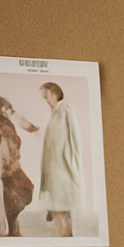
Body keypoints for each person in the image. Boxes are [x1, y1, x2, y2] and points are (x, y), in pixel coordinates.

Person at [0, 96, 36, 237]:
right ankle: (13, 231)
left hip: (13, 165)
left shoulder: (8, 123)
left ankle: (13, 229)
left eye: (9, 108)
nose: (10, 111)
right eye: (6, 108)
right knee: (10, 198)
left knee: (26, 189)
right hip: (4, 169)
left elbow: (22, 126)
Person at [35, 82, 83, 237]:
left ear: (55, 94)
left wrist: (72, 162)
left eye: (47, 96)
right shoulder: (53, 113)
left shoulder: (65, 111)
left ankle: (66, 236)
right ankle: (65, 236)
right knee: (56, 204)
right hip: (52, 166)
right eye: (44, 97)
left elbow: (74, 138)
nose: (46, 100)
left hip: (62, 165)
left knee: (61, 205)